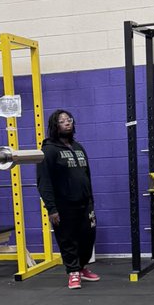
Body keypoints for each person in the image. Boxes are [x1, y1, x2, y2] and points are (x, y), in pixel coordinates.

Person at [37, 109, 98, 290]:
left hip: (85, 203)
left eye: (69, 119)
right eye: (62, 121)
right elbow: (43, 181)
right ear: (55, 126)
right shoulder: (48, 151)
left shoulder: (79, 148)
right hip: (63, 205)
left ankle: (81, 267)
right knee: (68, 239)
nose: (67, 123)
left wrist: (91, 200)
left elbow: (87, 176)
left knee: (88, 237)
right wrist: (52, 208)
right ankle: (73, 272)